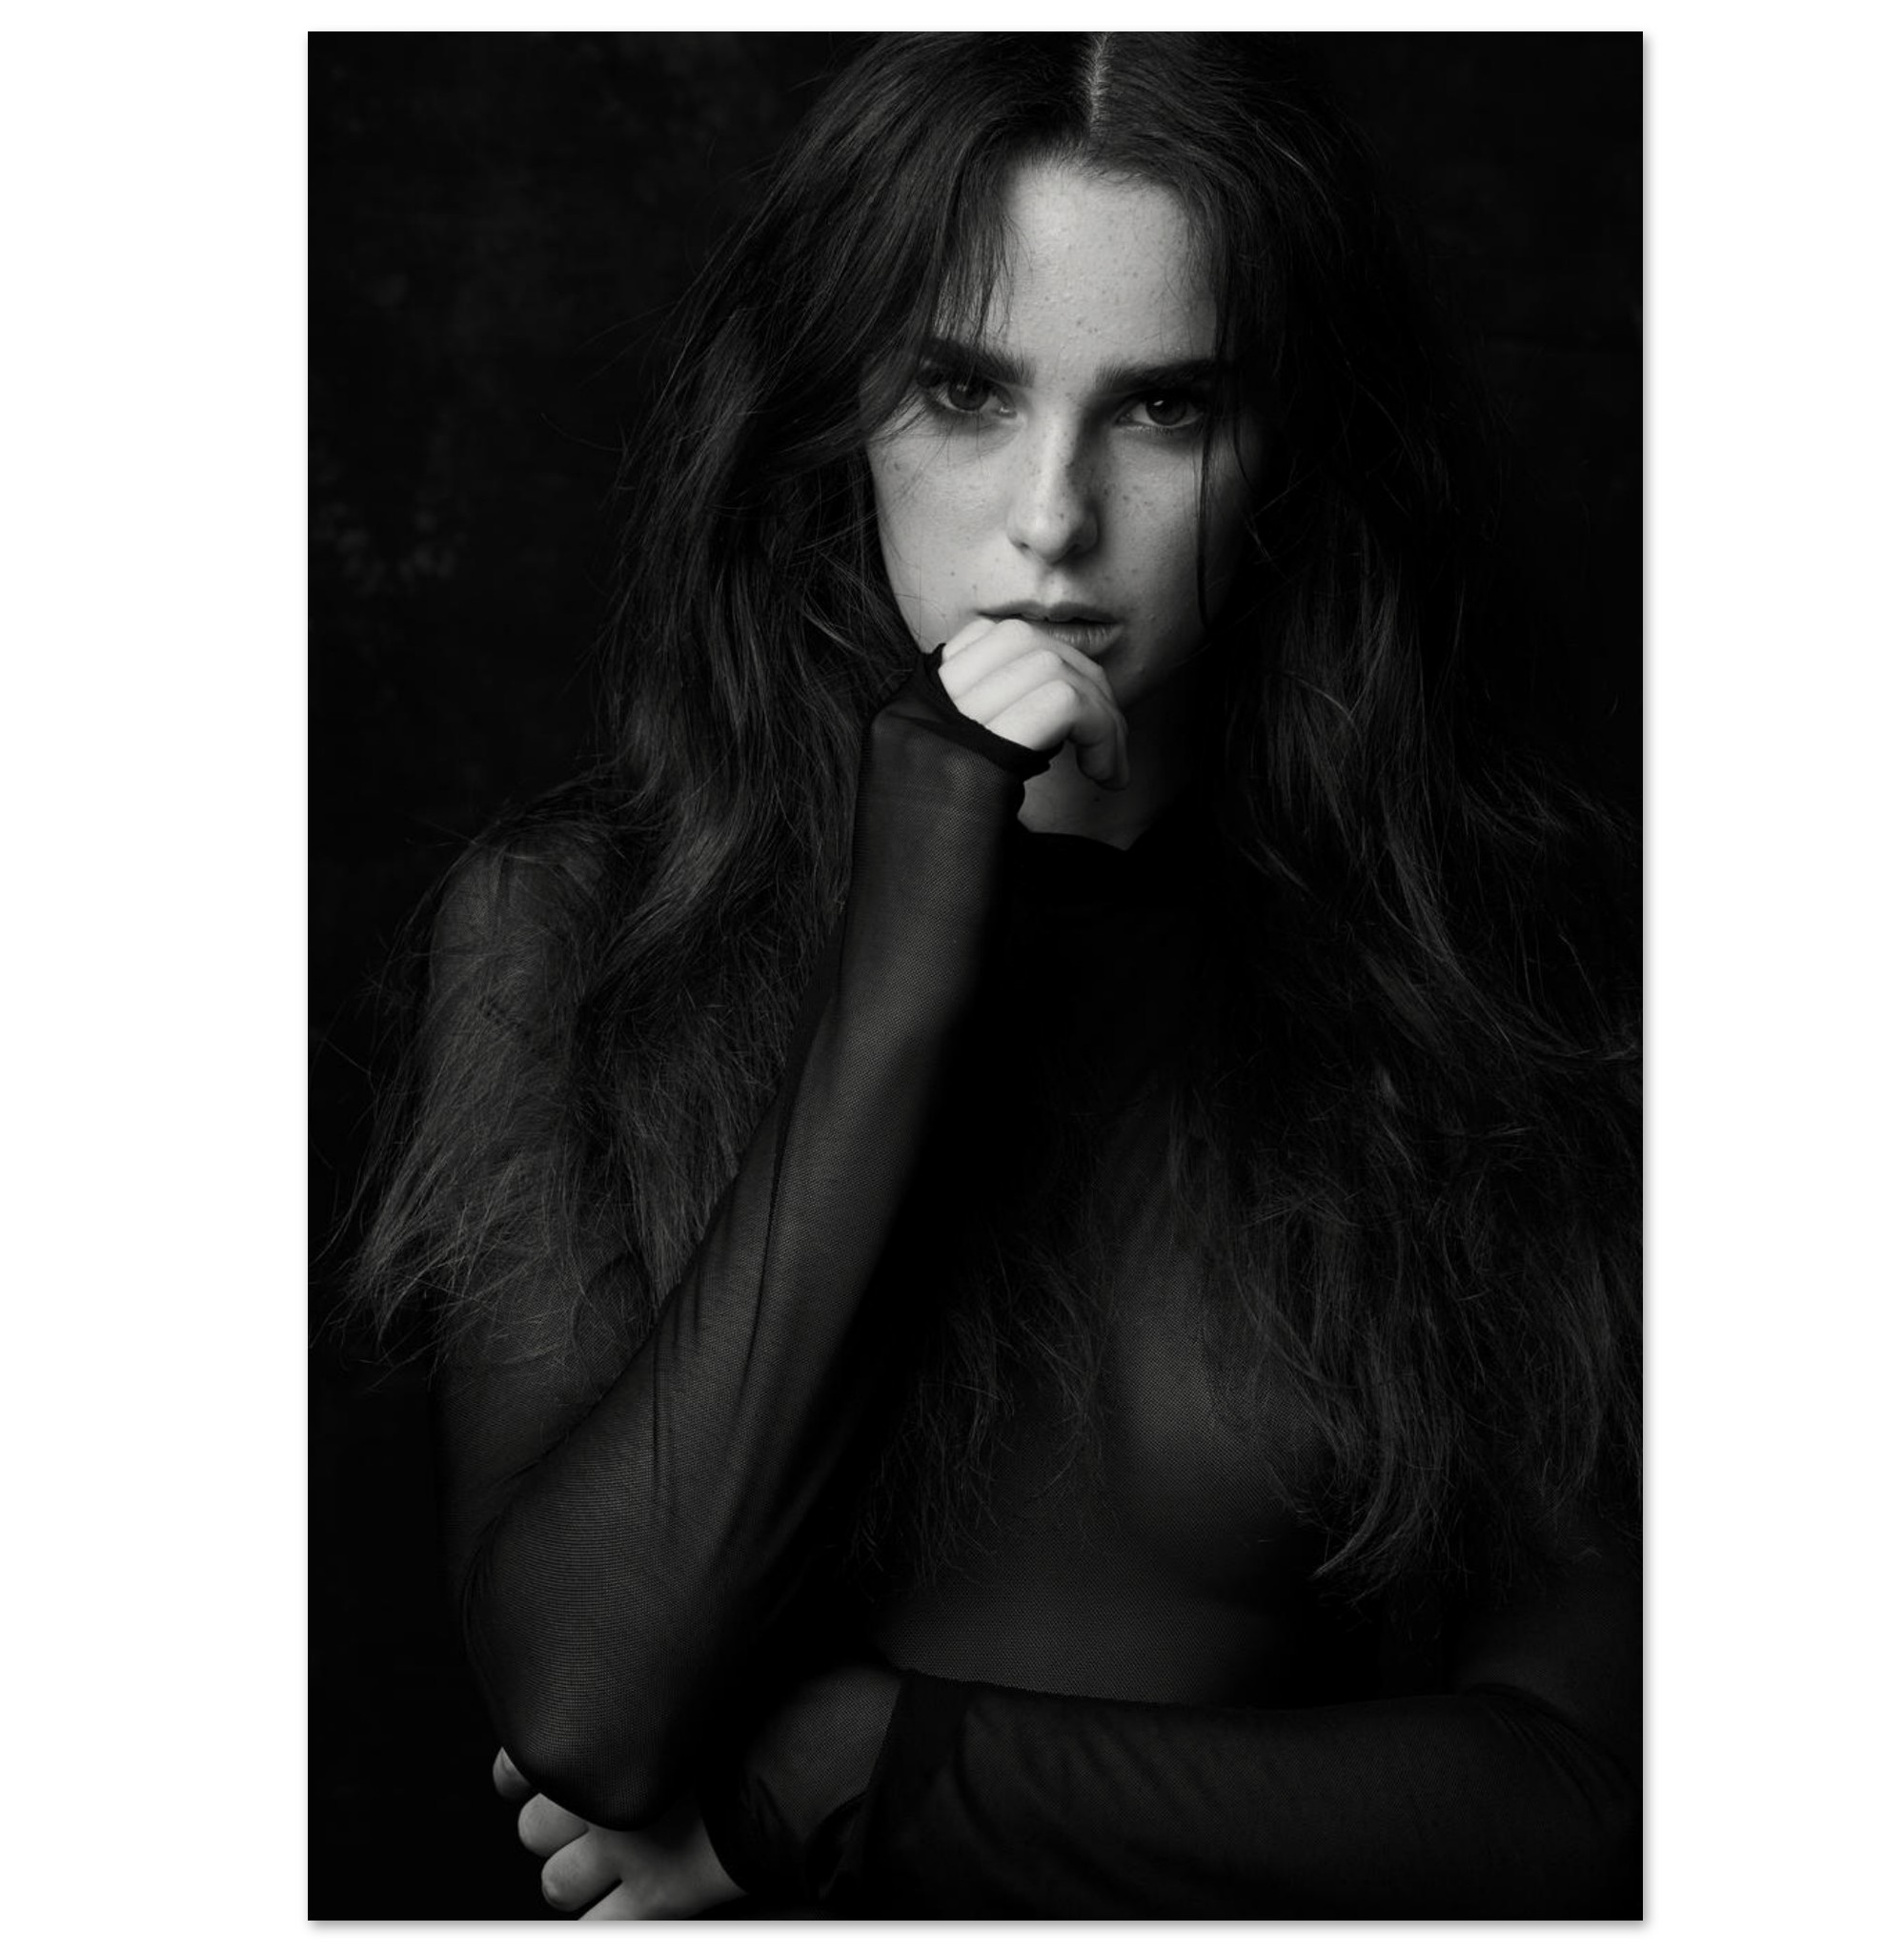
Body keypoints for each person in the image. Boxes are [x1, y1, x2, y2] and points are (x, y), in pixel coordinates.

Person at [354, 30, 1641, 1921]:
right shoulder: (564, 937)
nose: (1051, 519)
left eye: (1166, 408)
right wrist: (915, 917)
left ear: (1286, 455)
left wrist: (845, 1777)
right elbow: (585, 1711)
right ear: (836, 414)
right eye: (962, 390)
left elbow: (1581, 1800)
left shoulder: (1484, 971)